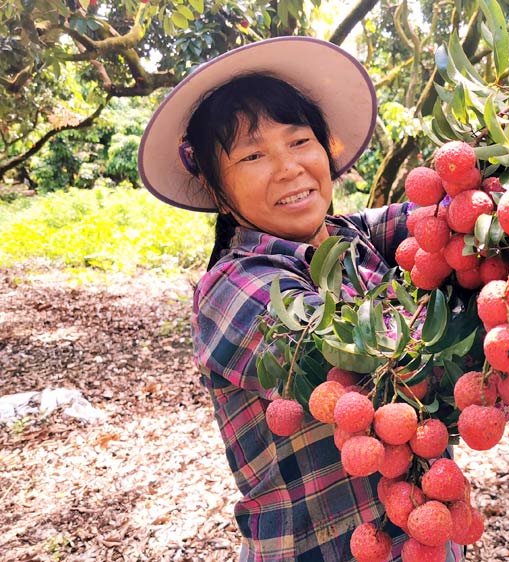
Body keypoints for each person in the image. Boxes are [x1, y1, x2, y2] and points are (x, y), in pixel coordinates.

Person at [138, 37, 466, 562]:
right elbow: (360, 362)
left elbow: (452, 216)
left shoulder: (350, 238)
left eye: (299, 141)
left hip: (424, 537)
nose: (288, 167)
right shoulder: (233, 290)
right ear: (219, 192)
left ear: (326, 150)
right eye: (252, 155)